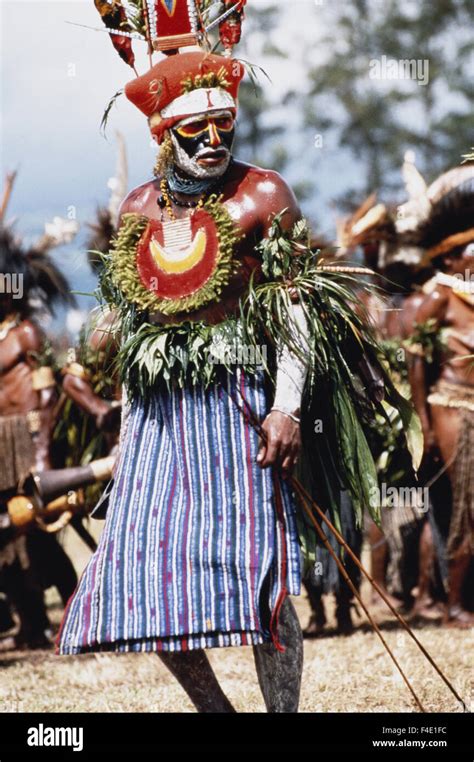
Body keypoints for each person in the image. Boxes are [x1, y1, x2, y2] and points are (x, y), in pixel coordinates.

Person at [58, 3, 418, 712]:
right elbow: (136, 328)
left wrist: (285, 407)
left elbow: (294, 305)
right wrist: (131, 429)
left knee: (263, 572)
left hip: (245, 405)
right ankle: (217, 715)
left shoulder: (263, 194)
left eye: (225, 125)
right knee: (140, 569)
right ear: (164, 133)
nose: (214, 140)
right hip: (162, 415)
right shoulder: (139, 210)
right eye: (197, 129)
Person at [409, 161, 474, 628]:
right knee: (465, 501)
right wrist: (425, 426)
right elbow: (416, 357)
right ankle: (451, 604)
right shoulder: (440, 296)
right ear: (453, 258)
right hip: (451, 404)